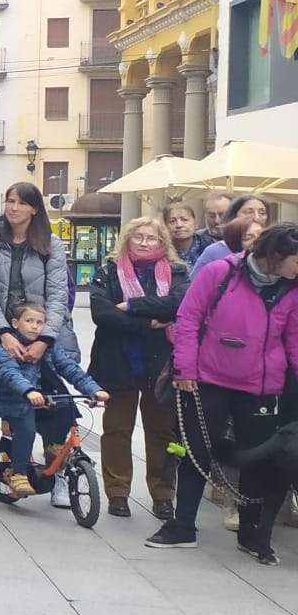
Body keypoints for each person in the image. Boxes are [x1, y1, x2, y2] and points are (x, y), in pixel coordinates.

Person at [145, 222, 298, 562]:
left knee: (257, 460)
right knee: (195, 452)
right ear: (277, 254)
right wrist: (185, 369)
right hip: (208, 379)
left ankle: (251, 532)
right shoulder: (221, 272)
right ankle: (183, 526)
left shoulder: (292, 288)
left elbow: (294, 339)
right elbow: (188, 318)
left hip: (261, 386)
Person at [0, 183, 75, 504]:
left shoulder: (51, 244)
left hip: (42, 339)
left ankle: (57, 478)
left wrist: (44, 339)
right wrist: (4, 333)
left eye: (20, 202)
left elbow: (58, 295)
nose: (13, 207)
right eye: (9, 201)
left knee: (51, 408)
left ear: (34, 208)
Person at [88, 217, 188, 519]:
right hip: (117, 360)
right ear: (127, 239)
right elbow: (101, 313)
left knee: (161, 430)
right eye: (138, 237)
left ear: (163, 242)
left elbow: (177, 304)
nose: (144, 242)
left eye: (151, 238)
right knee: (117, 429)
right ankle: (117, 492)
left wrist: (131, 307)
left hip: (161, 363)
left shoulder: (177, 271)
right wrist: (148, 323)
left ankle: (163, 494)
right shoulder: (108, 271)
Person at [0, 301, 107, 500]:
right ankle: (18, 472)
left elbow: (69, 368)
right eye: (29, 321)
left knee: (66, 410)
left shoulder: (49, 345)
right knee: (26, 429)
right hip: (18, 399)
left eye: (39, 322)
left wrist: (94, 389)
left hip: (48, 395)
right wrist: (28, 391)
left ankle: (55, 457)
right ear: (16, 323)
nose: (34, 326)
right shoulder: (7, 346)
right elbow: (10, 373)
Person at [191, 197, 272, 279]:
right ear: (234, 215)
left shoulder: (274, 247)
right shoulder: (215, 251)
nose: (257, 217)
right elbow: (195, 283)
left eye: (262, 213)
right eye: (249, 212)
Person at [162, 198, 215, 265]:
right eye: (172, 221)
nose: (179, 225)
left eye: (184, 220)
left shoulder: (210, 246)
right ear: (165, 226)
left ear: (195, 223)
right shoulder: (161, 252)